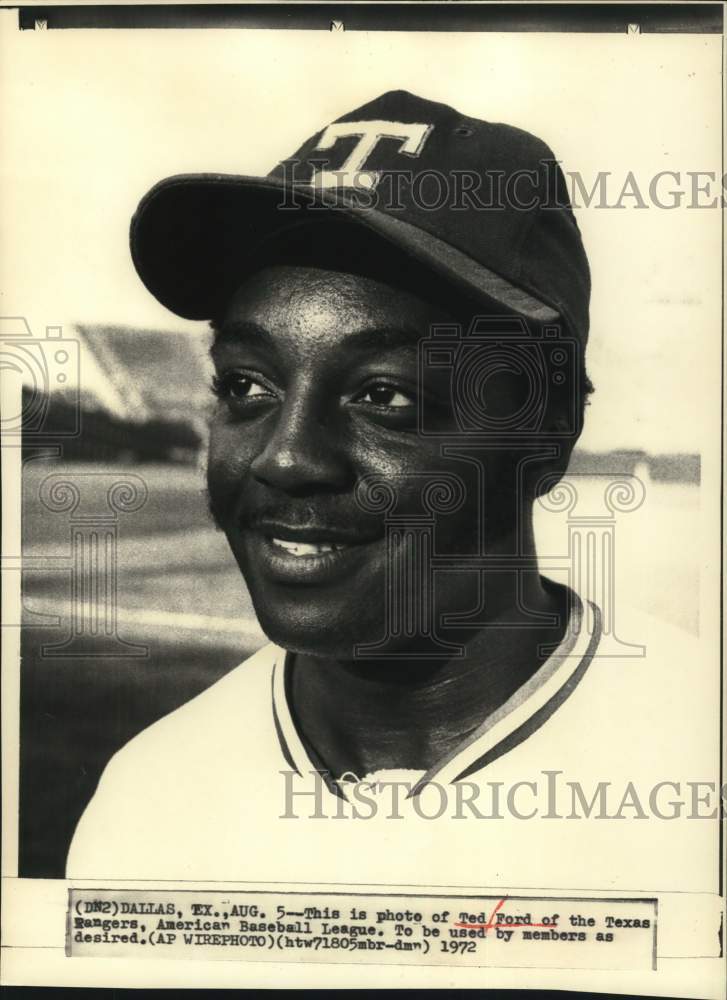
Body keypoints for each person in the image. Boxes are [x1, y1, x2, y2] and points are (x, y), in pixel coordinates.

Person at [67, 92, 713, 889]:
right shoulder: (146, 804)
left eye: (384, 395)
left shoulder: (698, 760)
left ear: (547, 428)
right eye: (245, 384)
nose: (287, 457)